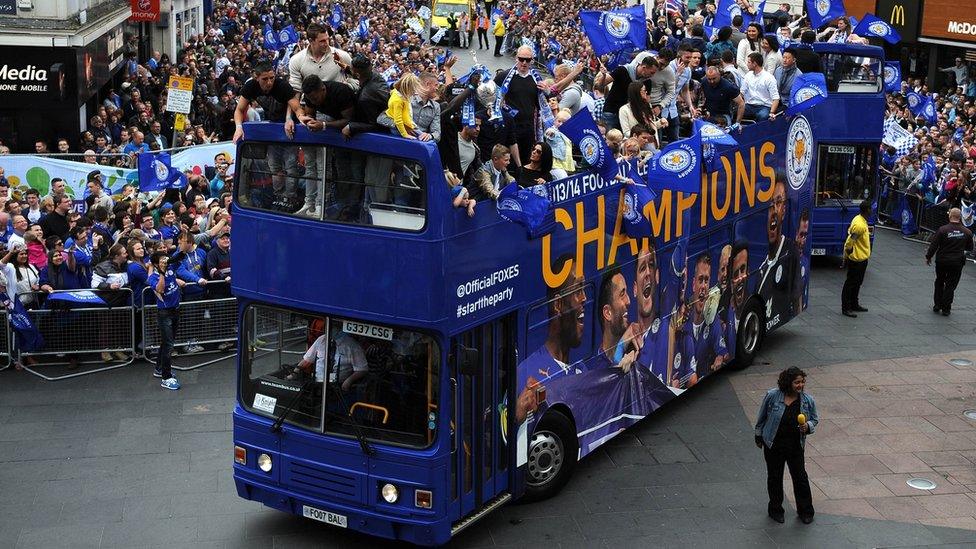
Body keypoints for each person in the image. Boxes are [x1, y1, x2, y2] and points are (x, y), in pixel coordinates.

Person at [754, 367, 818, 524]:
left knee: (800, 477)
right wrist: (758, 435)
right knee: (775, 478)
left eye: (802, 382)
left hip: (795, 445)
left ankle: (806, 511)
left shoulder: (807, 400)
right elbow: (762, 418)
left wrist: (807, 426)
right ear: (788, 382)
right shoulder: (772, 396)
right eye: (797, 382)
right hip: (773, 444)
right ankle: (775, 510)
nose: (800, 385)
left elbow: (814, 419)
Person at [926, 207, 973, 316]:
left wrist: (928, 257)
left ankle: (937, 304)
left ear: (950, 216)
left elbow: (934, 245)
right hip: (957, 262)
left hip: (942, 260)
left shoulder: (942, 230)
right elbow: (970, 247)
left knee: (939, 281)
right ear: (960, 217)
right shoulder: (967, 232)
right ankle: (946, 308)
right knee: (951, 284)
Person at [148, 251, 184, 390]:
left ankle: (159, 368)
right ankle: (166, 377)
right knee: (169, 345)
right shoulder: (153, 277)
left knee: (166, 343)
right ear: (156, 264)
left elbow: (180, 256)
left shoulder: (171, 268)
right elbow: (160, 289)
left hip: (176, 309)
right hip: (165, 313)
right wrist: (162, 272)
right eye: (162, 259)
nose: (165, 261)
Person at [842, 201, 872, 317]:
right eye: (870, 209)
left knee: (858, 282)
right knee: (850, 283)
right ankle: (846, 308)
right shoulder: (859, 225)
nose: (871, 211)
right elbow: (850, 241)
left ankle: (854, 303)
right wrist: (846, 254)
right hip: (856, 260)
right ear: (867, 210)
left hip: (863, 258)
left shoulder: (860, 219)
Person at [740, 52, 779, 121]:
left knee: (762, 116)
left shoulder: (769, 78)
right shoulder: (748, 75)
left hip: (764, 106)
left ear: (754, 64)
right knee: (735, 112)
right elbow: (742, 93)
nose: (747, 64)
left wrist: (772, 112)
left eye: (749, 62)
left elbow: (776, 98)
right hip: (749, 105)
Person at [386, 73, 421, 139]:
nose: (415, 92)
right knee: (423, 137)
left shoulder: (397, 93)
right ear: (408, 88)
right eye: (413, 89)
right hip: (400, 129)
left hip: (408, 124)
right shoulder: (398, 100)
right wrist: (405, 134)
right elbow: (398, 120)